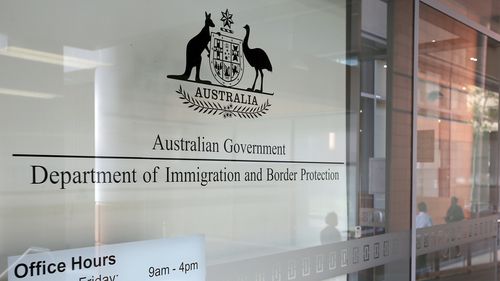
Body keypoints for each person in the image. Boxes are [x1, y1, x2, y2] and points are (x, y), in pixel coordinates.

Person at [416, 202, 432, 276]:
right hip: (425, 239)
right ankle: (421, 271)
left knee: (420, 255)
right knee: (423, 255)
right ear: (425, 208)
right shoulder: (428, 217)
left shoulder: (416, 217)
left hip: (416, 239)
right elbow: (431, 228)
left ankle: (421, 270)